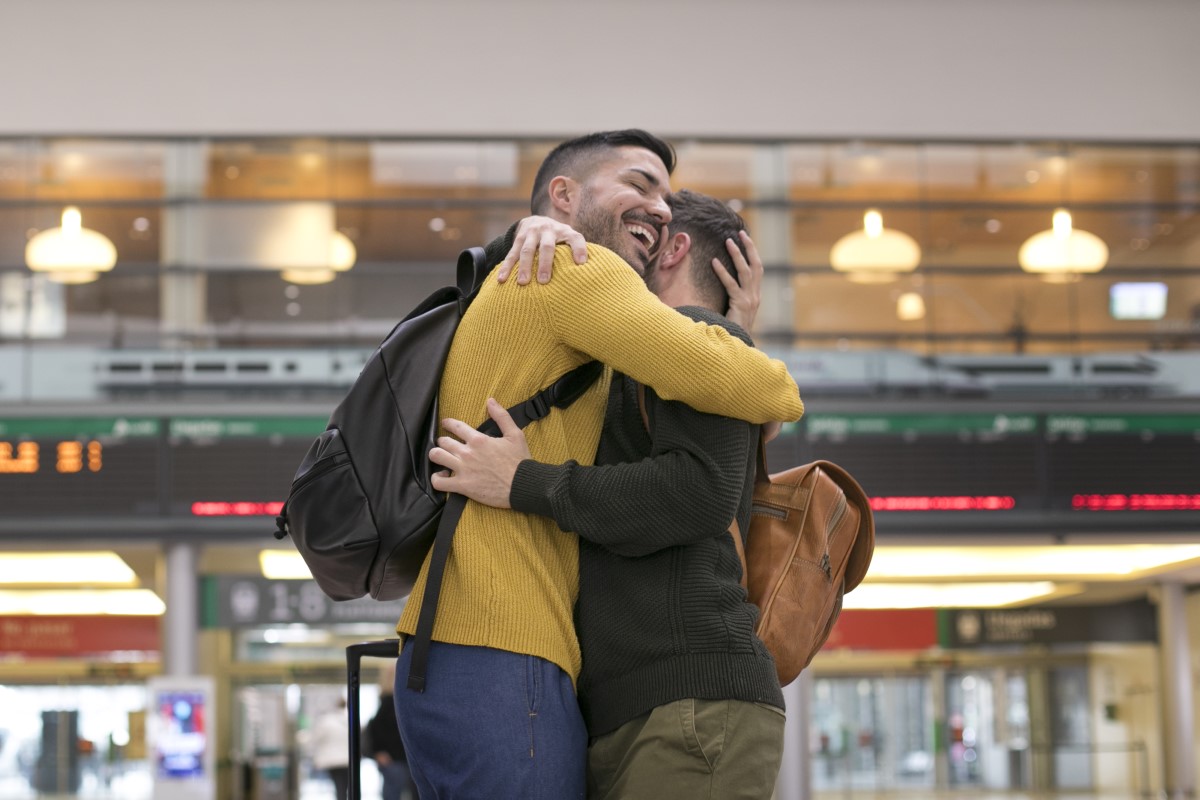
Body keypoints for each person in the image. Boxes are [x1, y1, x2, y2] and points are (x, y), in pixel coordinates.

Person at [391, 130, 804, 799]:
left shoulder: (555, 303)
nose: (660, 207)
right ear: (564, 196)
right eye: (640, 185)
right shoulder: (577, 269)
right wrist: (760, 369)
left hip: (467, 644)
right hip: (505, 642)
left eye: (666, 197)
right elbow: (751, 385)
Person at [365, 663, 416, 800]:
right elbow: (377, 729)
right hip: (396, 760)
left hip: (403, 759)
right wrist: (379, 752)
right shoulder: (389, 702)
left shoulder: (391, 701)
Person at [307, 697, 350, 800]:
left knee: (338, 786)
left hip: (333, 760)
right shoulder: (350, 720)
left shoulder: (326, 721)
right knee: (344, 786)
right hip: (347, 759)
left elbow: (315, 738)